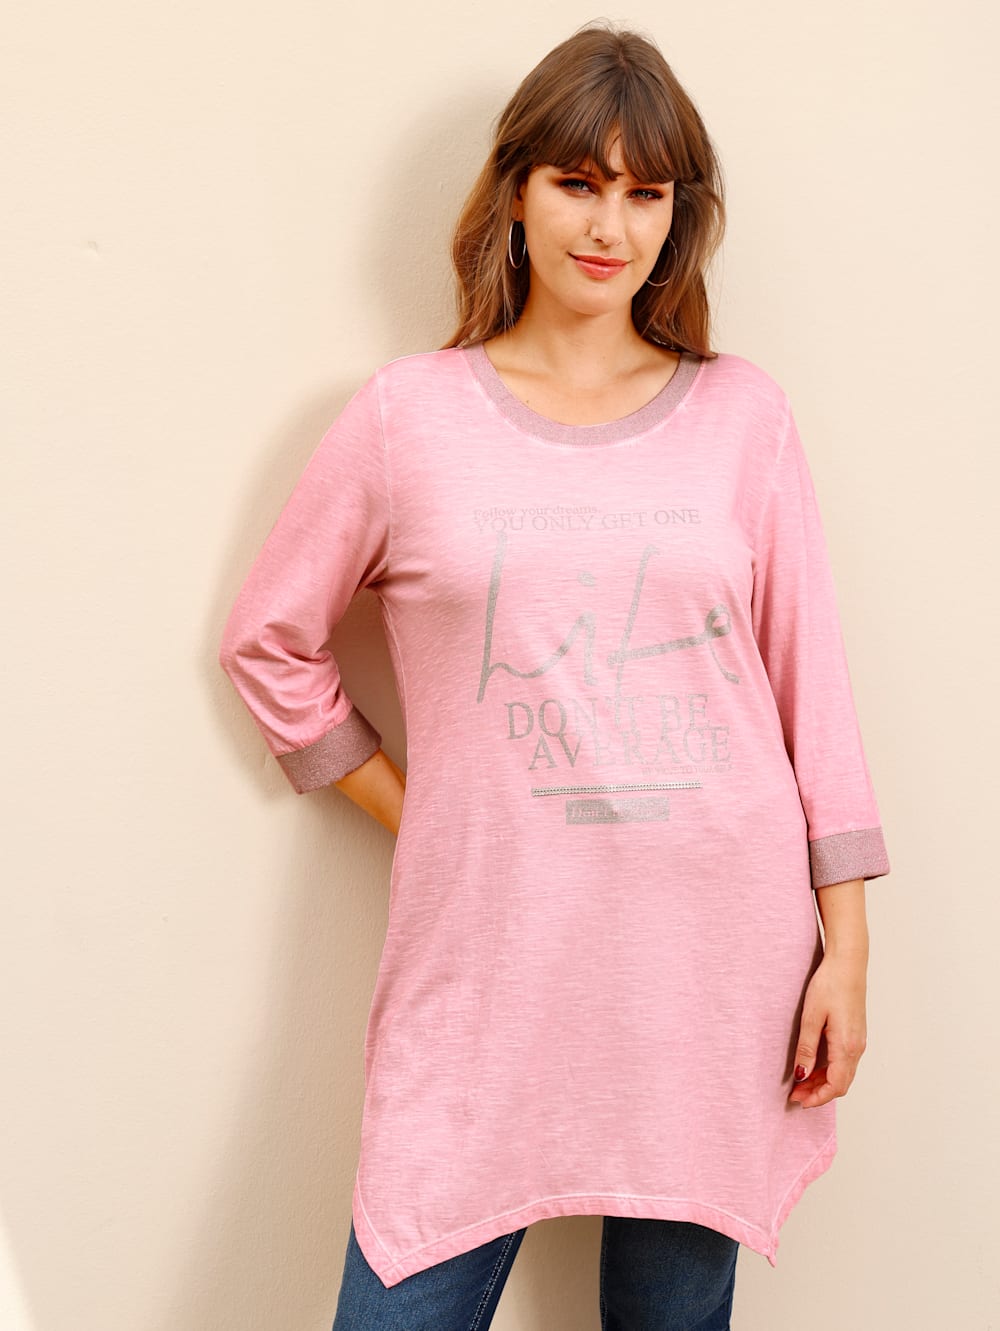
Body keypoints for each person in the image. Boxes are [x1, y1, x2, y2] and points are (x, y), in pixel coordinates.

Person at [218, 22, 890, 1331]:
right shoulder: (408, 418)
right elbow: (270, 643)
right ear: (516, 191)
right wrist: (424, 811)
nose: (610, 225)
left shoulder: (744, 418)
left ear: (678, 216)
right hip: (490, 957)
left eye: (647, 193)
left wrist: (848, 949)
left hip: (714, 957)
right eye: (580, 182)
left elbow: (813, 689)